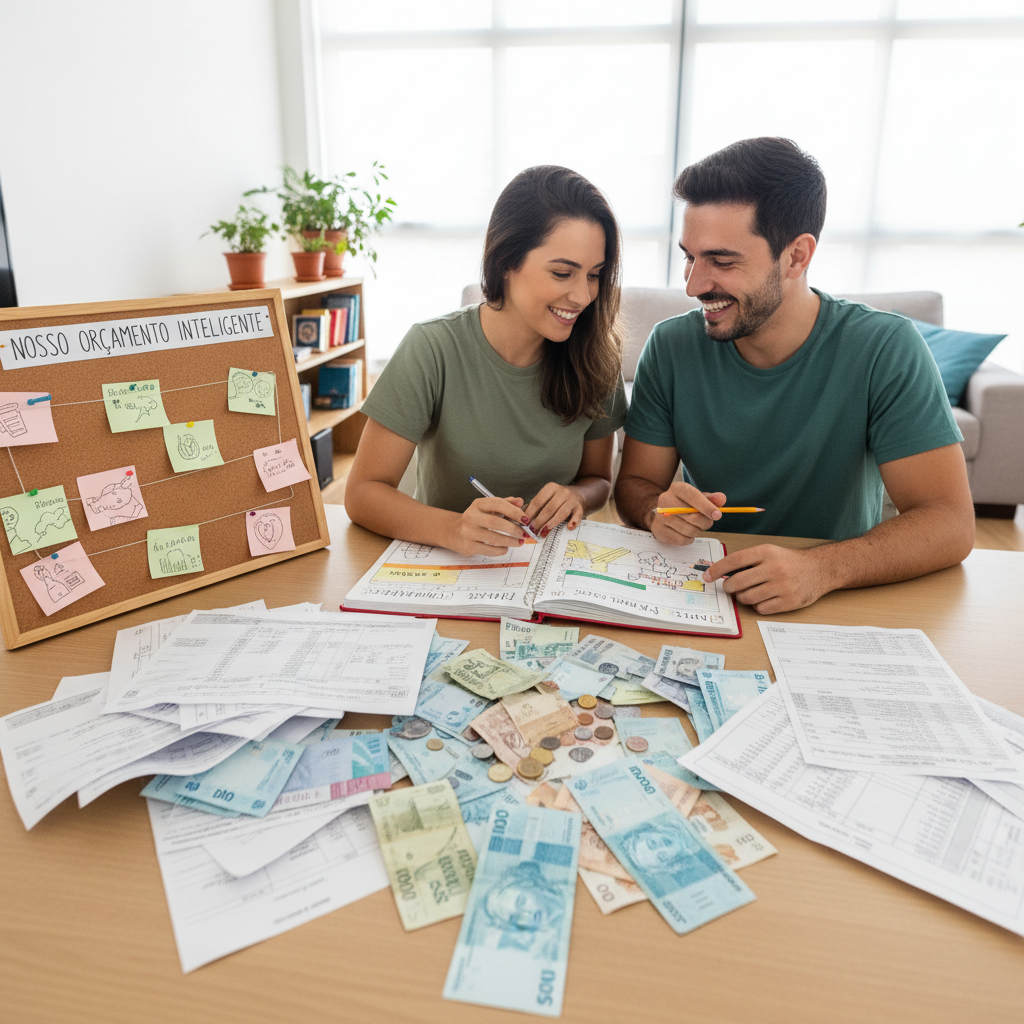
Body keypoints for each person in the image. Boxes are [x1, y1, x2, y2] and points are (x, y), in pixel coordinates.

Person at [614, 137, 974, 615]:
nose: (694, 284)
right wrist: (655, 510)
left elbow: (950, 523)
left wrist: (820, 569)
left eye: (722, 261)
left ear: (797, 256)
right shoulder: (671, 345)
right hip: (702, 591)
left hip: (834, 595)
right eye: (689, 256)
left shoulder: (885, 347)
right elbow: (636, 483)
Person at [346, 166, 627, 556]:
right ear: (507, 260)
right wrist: (454, 529)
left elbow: (599, 479)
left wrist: (578, 495)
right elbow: (363, 493)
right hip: (447, 563)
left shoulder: (596, 355)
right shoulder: (431, 347)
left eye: (594, 275)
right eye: (563, 273)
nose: (583, 296)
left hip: (549, 565)